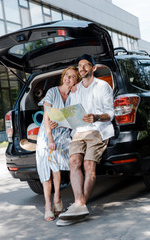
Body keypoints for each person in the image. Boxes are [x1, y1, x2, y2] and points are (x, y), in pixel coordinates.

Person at [57, 54, 114, 225]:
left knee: (89, 164)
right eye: (79, 66)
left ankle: (79, 205)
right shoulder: (76, 90)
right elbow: (71, 114)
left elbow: (110, 113)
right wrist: (59, 120)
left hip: (97, 130)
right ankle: (79, 204)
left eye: (85, 65)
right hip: (78, 132)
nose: (81, 69)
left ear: (93, 68)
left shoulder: (103, 86)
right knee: (74, 161)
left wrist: (96, 117)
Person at [36, 66, 80, 222]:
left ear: (76, 80)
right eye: (67, 75)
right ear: (63, 77)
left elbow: (76, 119)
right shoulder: (53, 92)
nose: (69, 79)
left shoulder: (75, 95)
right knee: (45, 163)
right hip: (47, 133)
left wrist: (64, 124)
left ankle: (58, 198)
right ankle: (48, 204)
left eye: (73, 77)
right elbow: (46, 117)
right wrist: (50, 138)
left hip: (64, 134)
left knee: (57, 165)